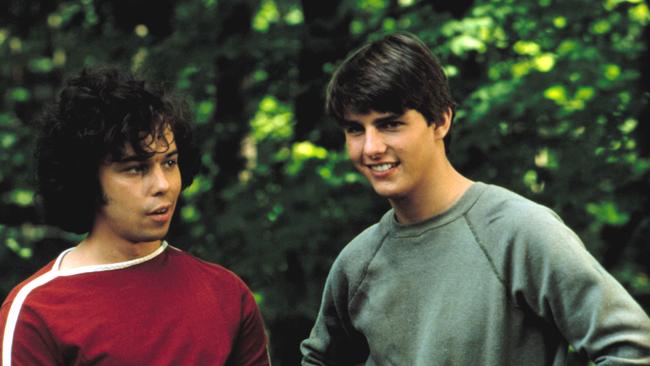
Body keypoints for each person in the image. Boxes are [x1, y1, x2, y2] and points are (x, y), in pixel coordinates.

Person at [300, 33, 650, 365]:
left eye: (391, 124)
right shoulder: (356, 263)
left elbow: (632, 348)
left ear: (440, 121)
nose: (371, 147)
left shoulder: (520, 232)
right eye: (355, 129)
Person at [0, 67, 270, 365]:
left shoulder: (226, 295)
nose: (163, 185)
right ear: (86, 178)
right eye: (136, 168)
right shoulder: (37, 311)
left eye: (169, 162)